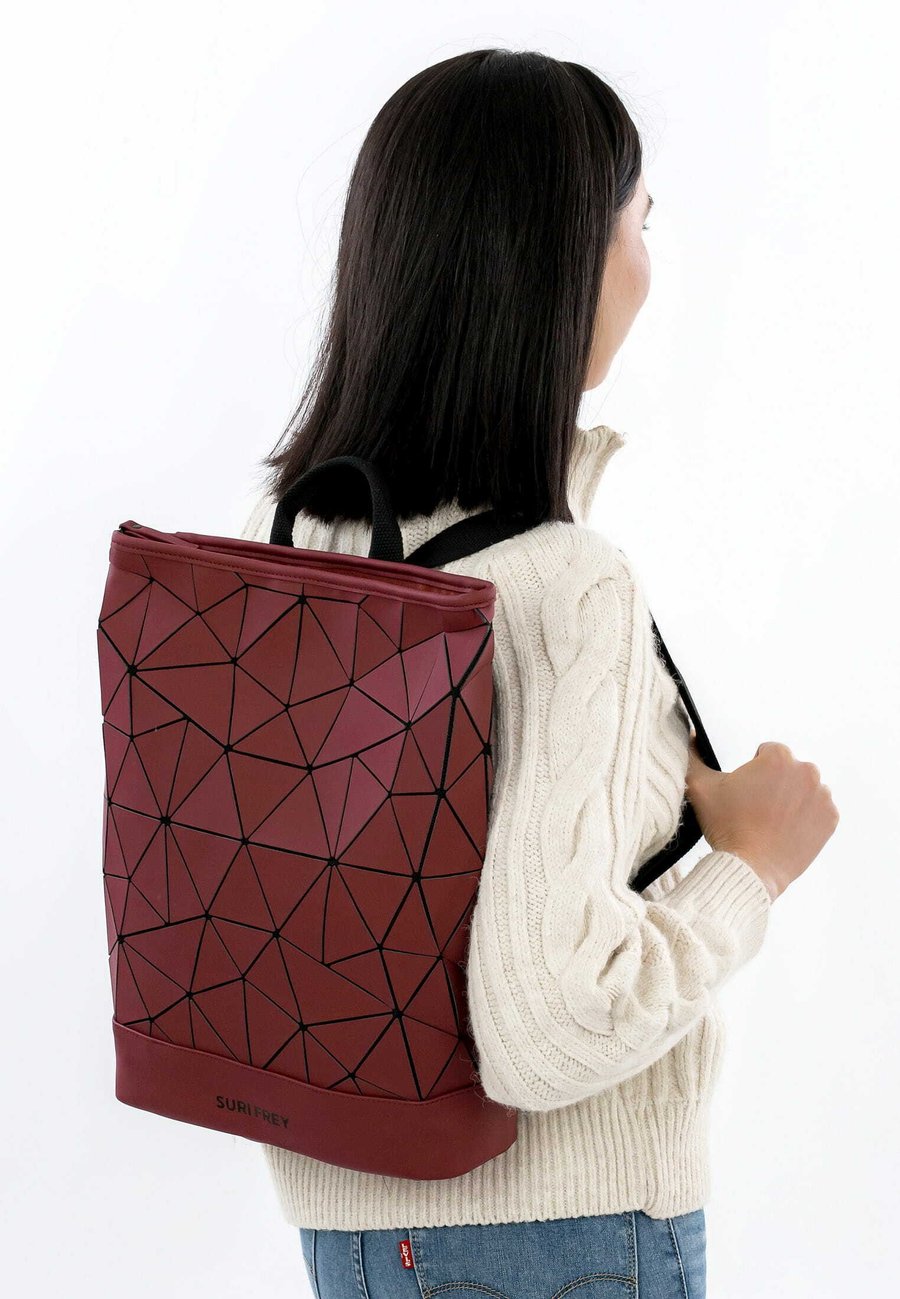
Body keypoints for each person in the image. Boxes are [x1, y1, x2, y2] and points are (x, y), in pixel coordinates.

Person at [238, 47, 839, 1299]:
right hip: (565, 1235)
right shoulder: (568, 585)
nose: (647, 262)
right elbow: (552, 1026)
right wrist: (753, 866)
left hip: (354, 1227)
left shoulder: (291, 537)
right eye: (640, 221)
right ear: (565, 258)